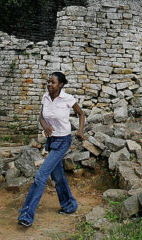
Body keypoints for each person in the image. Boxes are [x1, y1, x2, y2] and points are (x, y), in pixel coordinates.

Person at [17, 72, 85, 227]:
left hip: (63, 141)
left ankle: (26, 215)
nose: (49, 84)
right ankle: (69, 205)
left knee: (41, 175)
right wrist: (44, 124)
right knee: (58, 176)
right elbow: (42, 116)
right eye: (48, 82)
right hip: (51, 141)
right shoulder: (45, 97)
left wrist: (80, 131)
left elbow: (81, 114)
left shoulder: (67, 99)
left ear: (60, 85)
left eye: (53, 82)